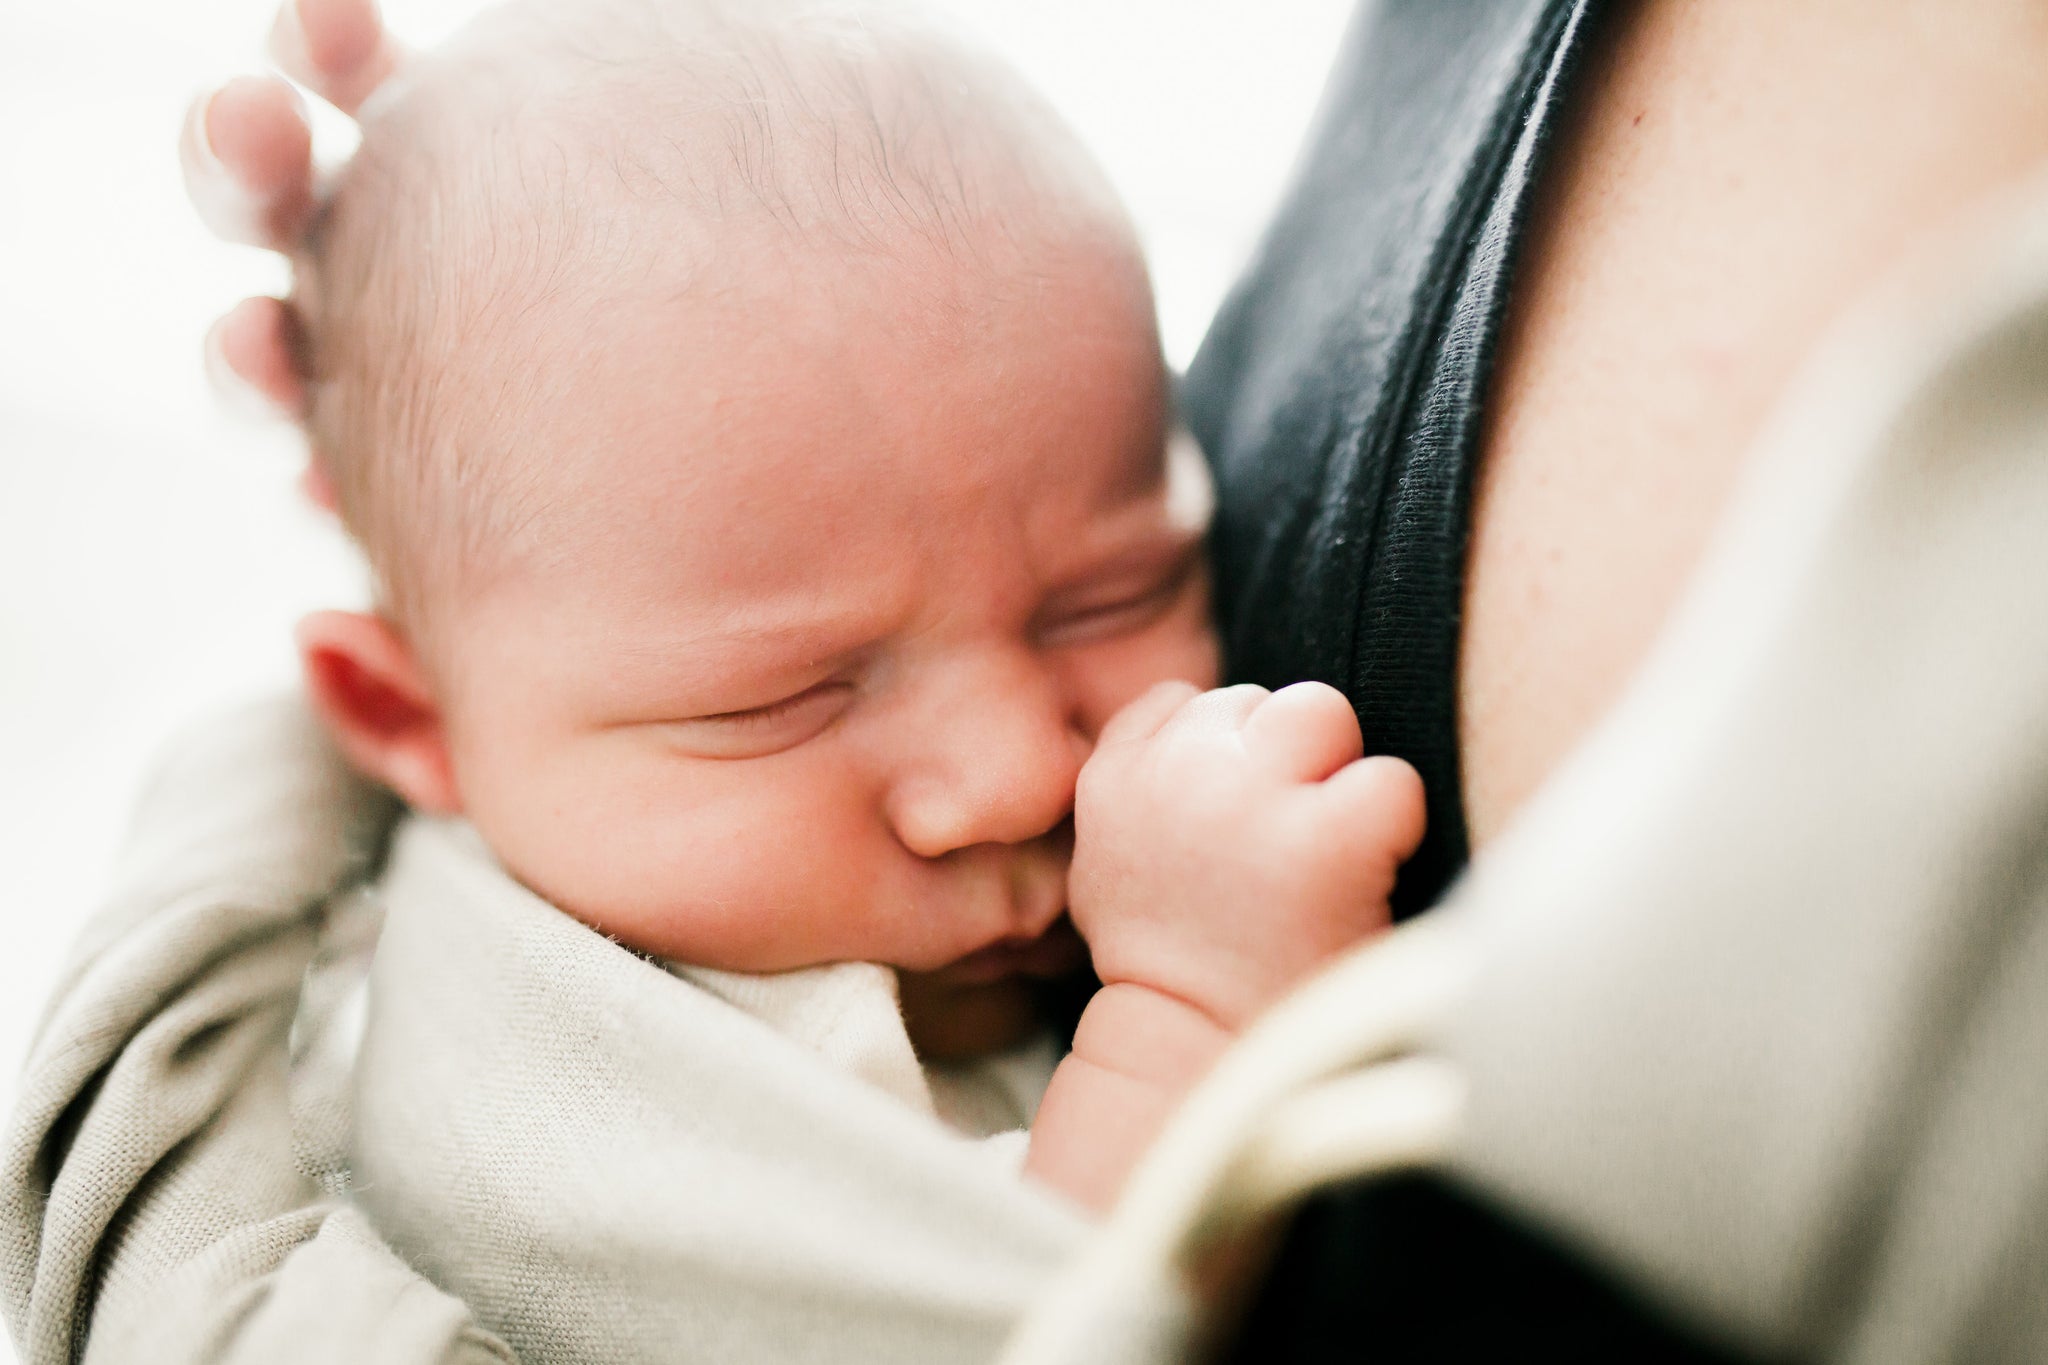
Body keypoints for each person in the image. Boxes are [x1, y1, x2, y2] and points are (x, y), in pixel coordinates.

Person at [14, 0, 2048, 1360]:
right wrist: (1187, 1010)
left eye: (1114, 583)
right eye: (784, 696)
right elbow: (1009, 1312)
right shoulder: (555, 1032)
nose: (1011, 768)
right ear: (400, 725)